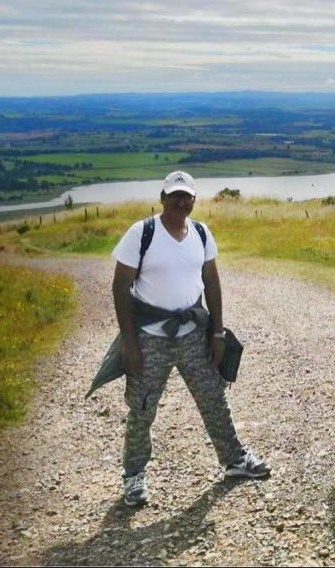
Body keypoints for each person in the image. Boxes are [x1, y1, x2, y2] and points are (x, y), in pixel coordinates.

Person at [111, 170, 269, 507]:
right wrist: (129, 343)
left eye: (187, 196)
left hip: (193, 334)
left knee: (214, 397)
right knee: (142, 407)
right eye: (175, 196)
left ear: (194, 200)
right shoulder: (142, 233)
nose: (181, 202)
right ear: (162, 198)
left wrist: (217, 332)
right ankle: (134, 476)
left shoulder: (200, 232)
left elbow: (211, 281)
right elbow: (120, 287)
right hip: (150, 338)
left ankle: (234, 459)